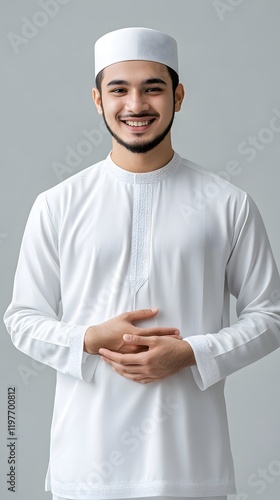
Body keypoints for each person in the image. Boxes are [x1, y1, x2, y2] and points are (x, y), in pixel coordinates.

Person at [4, 26, 280, 500]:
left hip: (190, 465)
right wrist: (87, 338)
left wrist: (194, 352)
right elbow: (22, 320)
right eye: (119, 89)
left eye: (153, 88)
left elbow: (271, 315)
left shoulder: (226, 203)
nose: (136, 105)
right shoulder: (57, 204)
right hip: (85, 467)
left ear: (179, 96)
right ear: (97, 100)